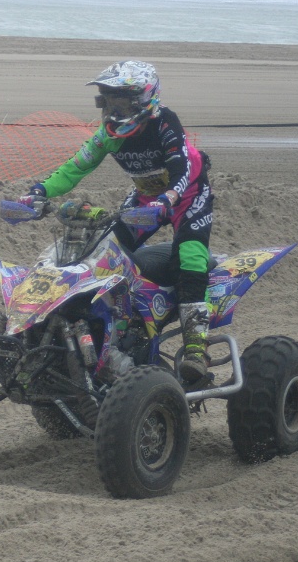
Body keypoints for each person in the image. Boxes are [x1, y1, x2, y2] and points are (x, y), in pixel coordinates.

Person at [18, 60, 214, 383]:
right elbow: (74, 168)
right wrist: (39, 190)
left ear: (143, 99)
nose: (112, 110)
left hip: (188, 197)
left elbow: (181, 171)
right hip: (146, 199)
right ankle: (116, 331)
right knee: (105, 251)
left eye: (120, 101)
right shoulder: (108, 135)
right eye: (106, 101)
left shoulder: (165, 123)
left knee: (191, 258)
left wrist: (169, 199)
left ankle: (195, 350)